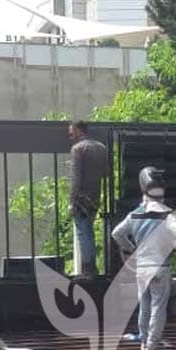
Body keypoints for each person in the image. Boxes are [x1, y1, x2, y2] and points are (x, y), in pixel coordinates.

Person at [111, 166, 176, 350]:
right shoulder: (166, 215)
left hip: (141, 269)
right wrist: (175, 248)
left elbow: (117, 233)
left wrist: (130, 249)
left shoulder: (134, 214)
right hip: (161, 268)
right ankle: (153, 348)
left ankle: (145, 345)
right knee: (158, 308)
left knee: (144, 307)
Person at [68, 120, 108, 280]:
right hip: (95, 196)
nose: (70, 136)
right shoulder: (101, 147)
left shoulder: (77, 149)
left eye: (71, 132)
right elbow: (106, 173)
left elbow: (75, 177)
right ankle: (92, 267)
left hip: (81, 198)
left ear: (78, 130)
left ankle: (88, 268)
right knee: (89, 231)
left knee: (82, 233)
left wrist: (71, 201)